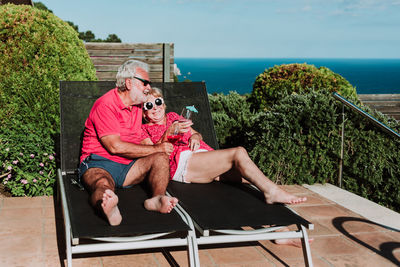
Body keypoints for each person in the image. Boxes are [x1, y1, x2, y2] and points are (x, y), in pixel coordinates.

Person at [140, 88, 307, 205]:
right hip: (183, 163)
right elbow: (154, 155)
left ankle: (280, 230)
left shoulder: (174, 116)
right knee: (238, 153)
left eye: (157, 101)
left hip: (202, 156)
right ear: (144, 113)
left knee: (250, 181)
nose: (154, 107)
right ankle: (273, 192)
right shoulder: (144, 129)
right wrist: (168, 133)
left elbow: (196, 133)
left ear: (163, 103)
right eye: (148, 106)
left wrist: (196, 137)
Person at [79, 60, 178, 226]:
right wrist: (155, 148)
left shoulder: (137, 107)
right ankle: (109, 207)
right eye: (145, 83)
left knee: (160, 157)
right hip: (99, 162)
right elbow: (115, 146)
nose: (148, 87)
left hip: (128, 167)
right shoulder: (106, 104)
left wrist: (159, 147)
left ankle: (157, 198)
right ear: (129, 82)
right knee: (102, 184)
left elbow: (141, 138)